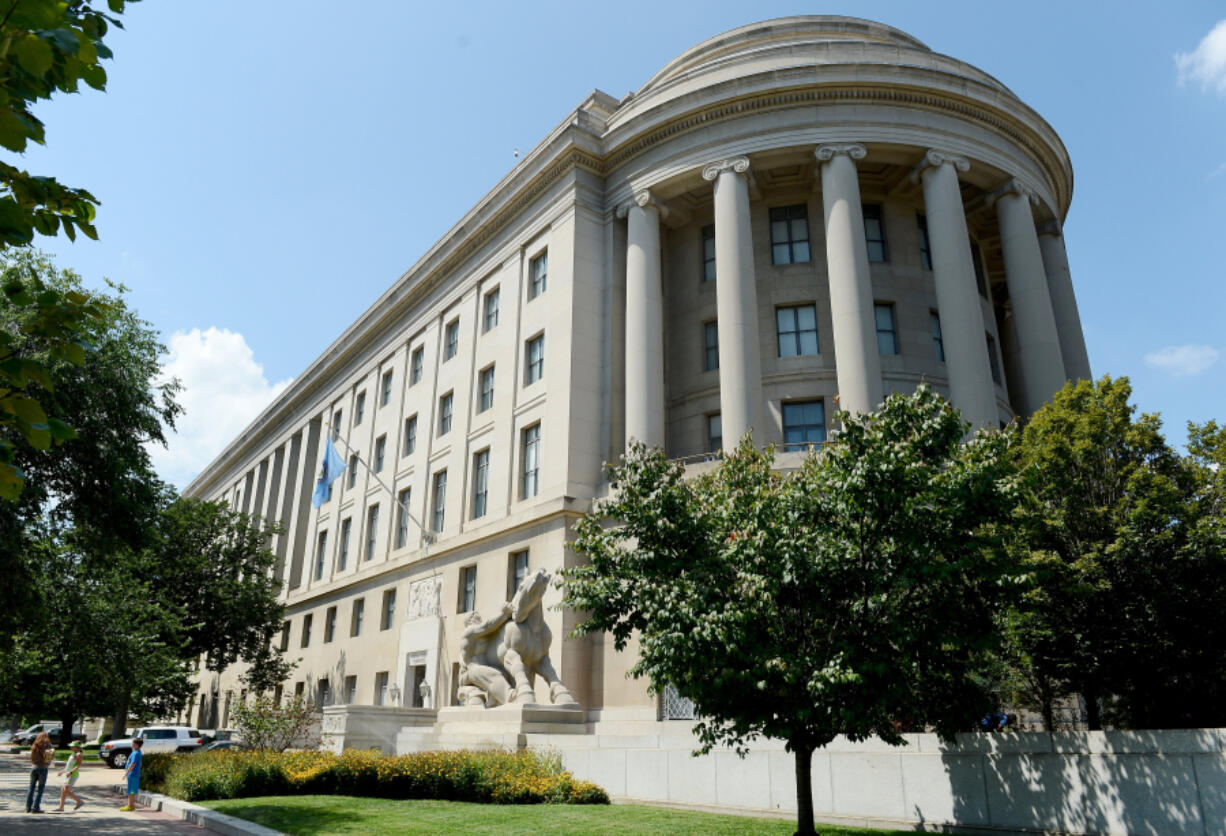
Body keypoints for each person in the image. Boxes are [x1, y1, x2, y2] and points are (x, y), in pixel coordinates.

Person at [26, 731, 54, 814]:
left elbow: (31, 758)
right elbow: (49, 758)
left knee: (31, 788)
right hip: (43, 768)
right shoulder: (48, 746)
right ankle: (36, 807)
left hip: (34, 767)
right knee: (40, 789)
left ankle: (28, 807)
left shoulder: (34, 745)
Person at [56, 742, 85, 812]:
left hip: (73, 775)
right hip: (68, 774)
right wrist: (62, 771)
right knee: (63, 790)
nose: (71, 748)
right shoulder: (73, 754)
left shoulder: (79, 754)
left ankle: (79, 801)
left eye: (72, 746)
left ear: (77, 747)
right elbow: (68, 766)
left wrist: (71, 772)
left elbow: (78, 765)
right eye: (71, 746)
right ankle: (61, 807)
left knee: (65, 791)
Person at [119, 737, 143, 811]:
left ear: (137, 745)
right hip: (134, 774)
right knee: (131, 789)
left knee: (131, 790)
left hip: (132, 774)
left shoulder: (135, 753)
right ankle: (131, 805)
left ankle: (130, 806)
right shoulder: (137, 752)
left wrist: (126, 773)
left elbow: (133, 764)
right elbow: (140, 764)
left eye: (133, 743)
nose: (132, 744)